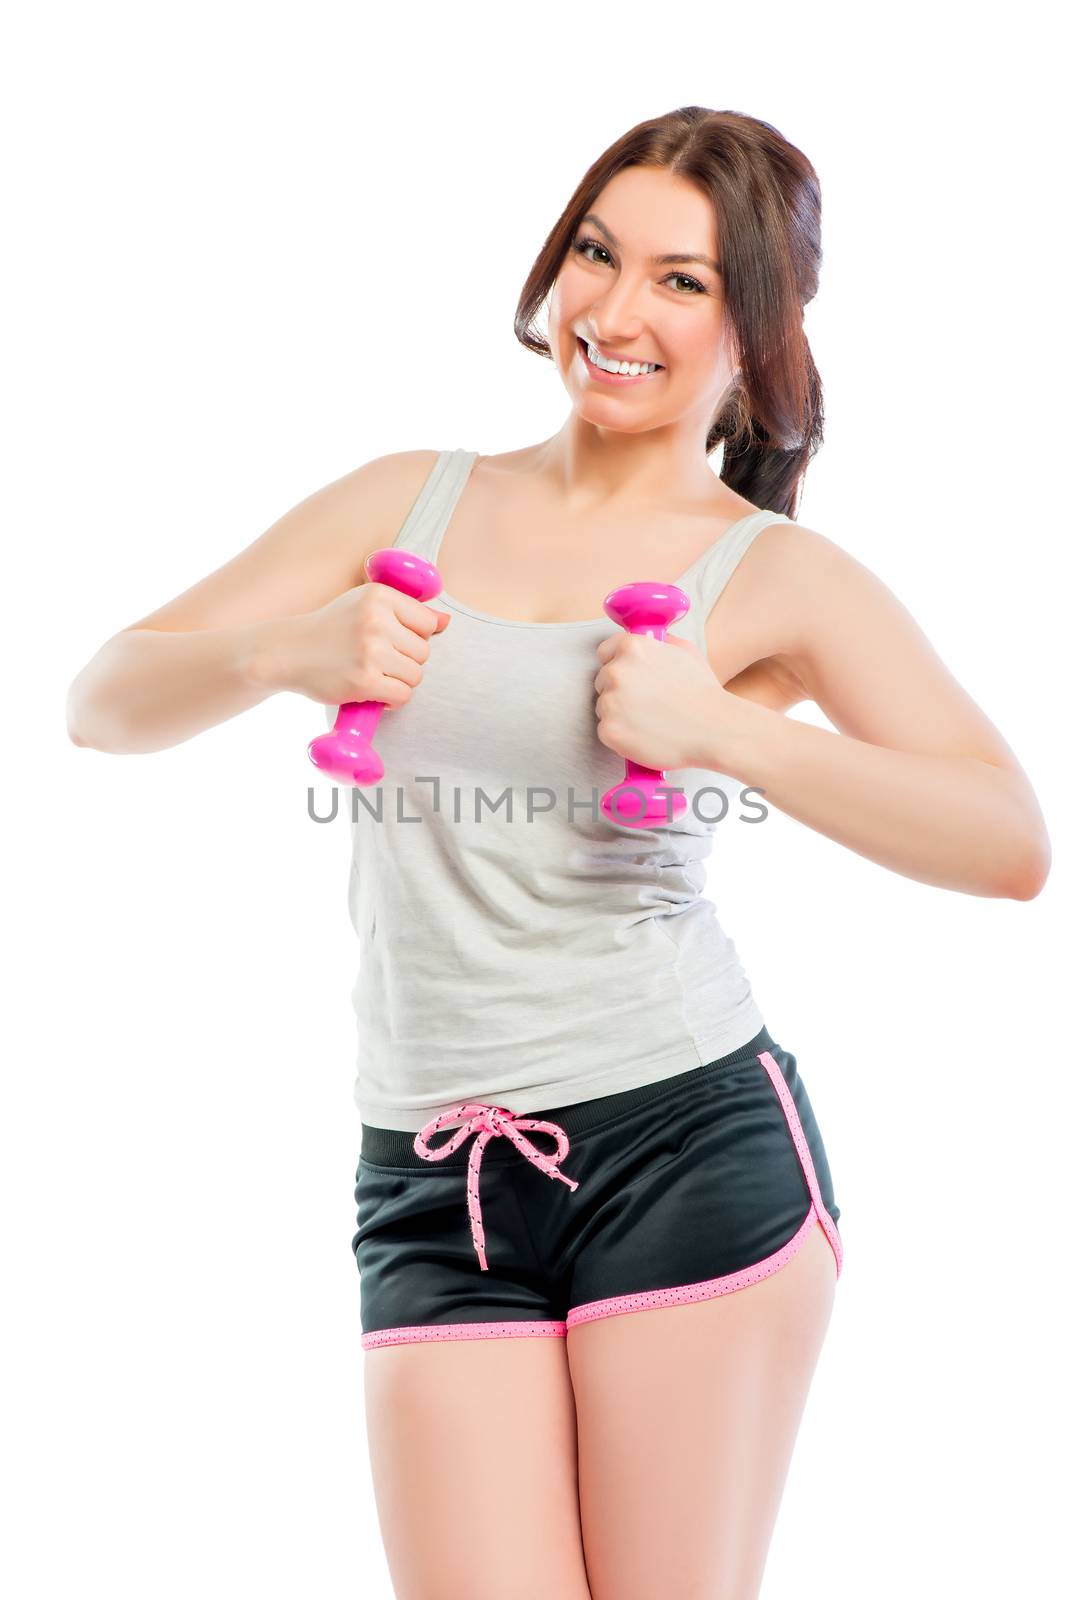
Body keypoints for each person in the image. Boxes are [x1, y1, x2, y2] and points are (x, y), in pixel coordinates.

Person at [66, 105, 1051, 1600]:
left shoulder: (771, 571)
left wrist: (729, 733)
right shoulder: (413, 497)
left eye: (681, 280)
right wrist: (286, 648)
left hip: (683, 1142)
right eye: (598, 253)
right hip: (426, 1172)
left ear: (757, 326)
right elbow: (103, 703)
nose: (612, 310)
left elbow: (1010, 842)